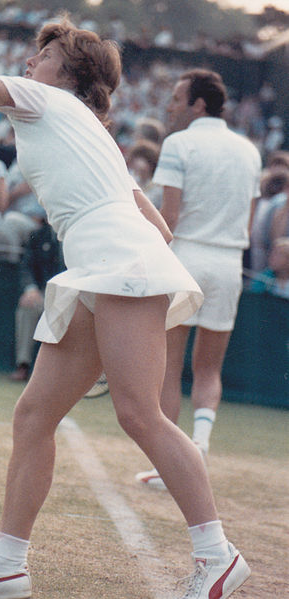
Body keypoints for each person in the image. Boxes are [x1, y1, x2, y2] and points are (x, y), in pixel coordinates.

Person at [0, 19, 251, 599]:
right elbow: (157, 225)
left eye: (46, 54)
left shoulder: (44, 100)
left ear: (71, 74)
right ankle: (7, 566)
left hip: (113, 263)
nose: (31, 63)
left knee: (140, 414)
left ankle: (218, 556)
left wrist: (129, 285)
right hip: (101, 266)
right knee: (34, 415)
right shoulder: (94, 136)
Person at [136, 69, 261, 489]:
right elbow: (247, 219)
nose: (170, 106)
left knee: (170, 369)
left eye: (176, 98)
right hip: (228, 265)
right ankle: (199, 446)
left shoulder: (177, 144)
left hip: (186, 258)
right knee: (209, 369)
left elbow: (167, 219)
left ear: (198, 105)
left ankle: (170, 466)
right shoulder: (249, 151)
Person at [10, 216, 65, 382]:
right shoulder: (38, 235)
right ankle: (23, 365)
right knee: (28, 305)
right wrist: (31, 289)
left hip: (72, 295)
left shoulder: (83, 237)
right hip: (43, 293)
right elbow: (27, 266)